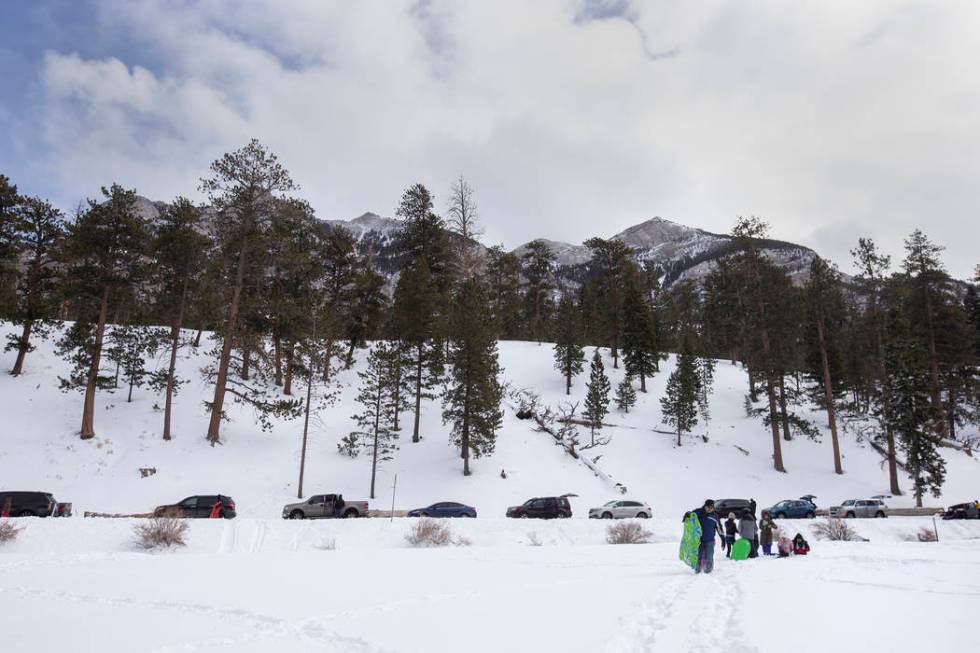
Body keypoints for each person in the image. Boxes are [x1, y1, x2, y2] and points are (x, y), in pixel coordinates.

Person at [683, 499, 725, 574]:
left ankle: (708, 571)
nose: (709, 509)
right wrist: (687, 515)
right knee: (698, 555)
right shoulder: (698, 512)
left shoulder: (715, 516)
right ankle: (697, 570)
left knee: (709, 556)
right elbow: (690, 516)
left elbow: (719, 528)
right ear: (705, 506)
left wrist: (723, 539)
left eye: (711, 507)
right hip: (699, 540)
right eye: (708, 507)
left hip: (710, 540)